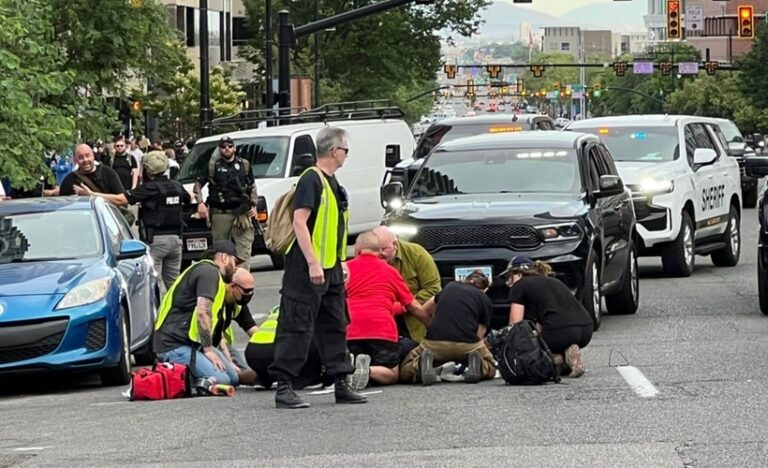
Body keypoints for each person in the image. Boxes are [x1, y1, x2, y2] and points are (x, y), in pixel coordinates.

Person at [269, 126, 366, 409]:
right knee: (296, 325)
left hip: (330, 267)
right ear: (335, 151)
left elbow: (334, 227)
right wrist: (313, 262)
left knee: (335, 325)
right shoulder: (311, 180)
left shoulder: (331, 182)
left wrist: (340, 262)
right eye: (345, 150)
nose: (347, 156)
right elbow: (300, 222)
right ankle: (284, 386)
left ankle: (340, 382)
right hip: (307, 267)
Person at [74, 151, 189, 291]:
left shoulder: (149, 188)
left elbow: (121, 200)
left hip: (157, 241)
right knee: (174, 285)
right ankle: (179, 311)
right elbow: (189, 199)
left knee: (155, 286)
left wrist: (92, 194)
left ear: (147, 169)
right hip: (176, 241)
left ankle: (157, 312)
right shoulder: (177, 186)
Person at [345, 231, 431, 390]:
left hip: (350, 329)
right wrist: (431, 326)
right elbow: (413, 305)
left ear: (357, 250)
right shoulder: (390, 271)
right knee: (391, 373)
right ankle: (367, 370)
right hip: (381, 329)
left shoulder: (345, 269)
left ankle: (349, 368)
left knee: (350, 356)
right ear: (379, 252)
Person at [153, 240, 242, 386]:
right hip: (173, 345)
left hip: (191, 343)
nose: (236, 267)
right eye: (235, 261)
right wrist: (208, 350)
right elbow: (203, 312)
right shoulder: (209, 272)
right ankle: (182, 377)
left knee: (233, 378)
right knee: (223, 380)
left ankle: (197, 374)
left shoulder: (208, 272)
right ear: (224, 258)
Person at [400, 271, 496, 385]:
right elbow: (479, 335)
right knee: (491, 366)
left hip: (435, 342)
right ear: (484, 289)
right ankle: (479, 367)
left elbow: (425, 310)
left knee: (406, 369)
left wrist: (433, 329)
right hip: (467, 345)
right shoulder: (485, 300)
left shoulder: (449, 288)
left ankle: (420, 366)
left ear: (465, 280)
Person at [503, 256, 593, 378]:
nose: (507, 282)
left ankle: (560, 358)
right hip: (586, 330)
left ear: (518, 273)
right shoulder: (553, 281)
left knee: (530, 360)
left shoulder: (520, 285)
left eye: (508, 277)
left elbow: (515, 324)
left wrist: (509, 348)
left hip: (560, 332)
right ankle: (567, 353)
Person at [373, 226, 441, 350]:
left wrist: (406, 306)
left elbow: (433, 288)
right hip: (382, 317)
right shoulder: (368, 258)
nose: (379, 254)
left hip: (414, 316)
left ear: (395, 244)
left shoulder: (417, 253)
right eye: (375, 249)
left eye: (383, 249)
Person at [194, 136, 257, 269]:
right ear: (219, 149)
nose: (227, 149)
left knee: (244, 251)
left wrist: (254, 205)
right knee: (220, 252)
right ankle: (223, 282)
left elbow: (252, 186)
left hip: (241, 214)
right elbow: (198, 185)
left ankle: (243, 283)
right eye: (223, 147)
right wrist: (200, 203)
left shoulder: (244, 165)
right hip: (220, 213)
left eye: (229, 146)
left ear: (234, 148)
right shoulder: (213, 166)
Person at [245, 305, 328, 391]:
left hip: (252, 351)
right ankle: (307, 379)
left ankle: (262, 379)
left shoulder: (279, 307)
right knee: (319, 339)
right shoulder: (312, 306)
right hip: (276, 352)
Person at [212, 267, 259, 385]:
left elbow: (252, 329)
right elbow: (218, 336)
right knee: (234, 376)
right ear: (233, 286)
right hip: (210, 343)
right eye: (247, 291)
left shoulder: (238, 303)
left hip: (222, 344)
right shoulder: (217, 298)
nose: (249, 295)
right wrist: (229, 363)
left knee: (243, 370)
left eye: (252, 291)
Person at [59, 144, 125, 197]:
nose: (85, 160)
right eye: (81, 157)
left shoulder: (108, 173)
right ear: (75, 160)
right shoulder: (69, 180)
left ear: (93, 156)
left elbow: (123, 199)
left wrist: (92, 194)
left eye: (87, 156)